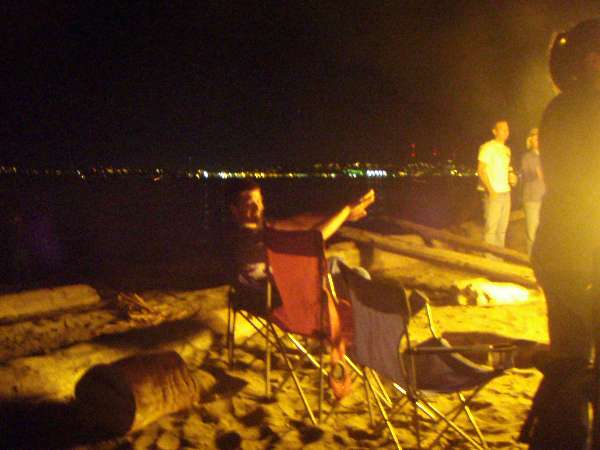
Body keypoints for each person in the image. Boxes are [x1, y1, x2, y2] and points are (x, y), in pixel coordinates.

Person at [519, 18, 600, 450]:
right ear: (593, 60)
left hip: (560, 250)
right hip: (584, 254)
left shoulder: (559, 108)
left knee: (569, 360)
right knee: (576, 368)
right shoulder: (586, 109)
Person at [224, 179, 375, 313]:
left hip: (292, 283)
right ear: (234, 209)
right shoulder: (244, 240)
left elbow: (299, 222)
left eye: (259, 200)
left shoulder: (265, 227)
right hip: (285, 297)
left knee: (347, 269)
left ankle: (362, 322)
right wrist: (346, 210)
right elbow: (316, 236)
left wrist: (344, 216)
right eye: (250, 204)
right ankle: (363, 325)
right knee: (358, 279)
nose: (258, 207)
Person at [477, 120, 518, 249]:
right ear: (494, 131)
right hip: (493, 193)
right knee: (491, 229)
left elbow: (508, 169)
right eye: (502, 129)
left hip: (506, 192)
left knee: (502, 229)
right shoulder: (487, 147)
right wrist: (491, 190)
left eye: (507, 129)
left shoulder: (506, 150)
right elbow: (481, 170)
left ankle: (499, 256)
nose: (506, 132)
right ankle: (489, 258)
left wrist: (513, 178)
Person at [521, 128, 545, 256]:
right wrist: (537, 173)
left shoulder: (547, 156)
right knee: (532, 233)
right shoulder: (527, 157)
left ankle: (542, 259)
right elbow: (526, 174)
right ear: (530, 141)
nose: (538, 141)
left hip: (545, 198)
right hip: (532, 198)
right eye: (535, 139)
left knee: (545, 232)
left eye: (539, 138)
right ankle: (531, 260)